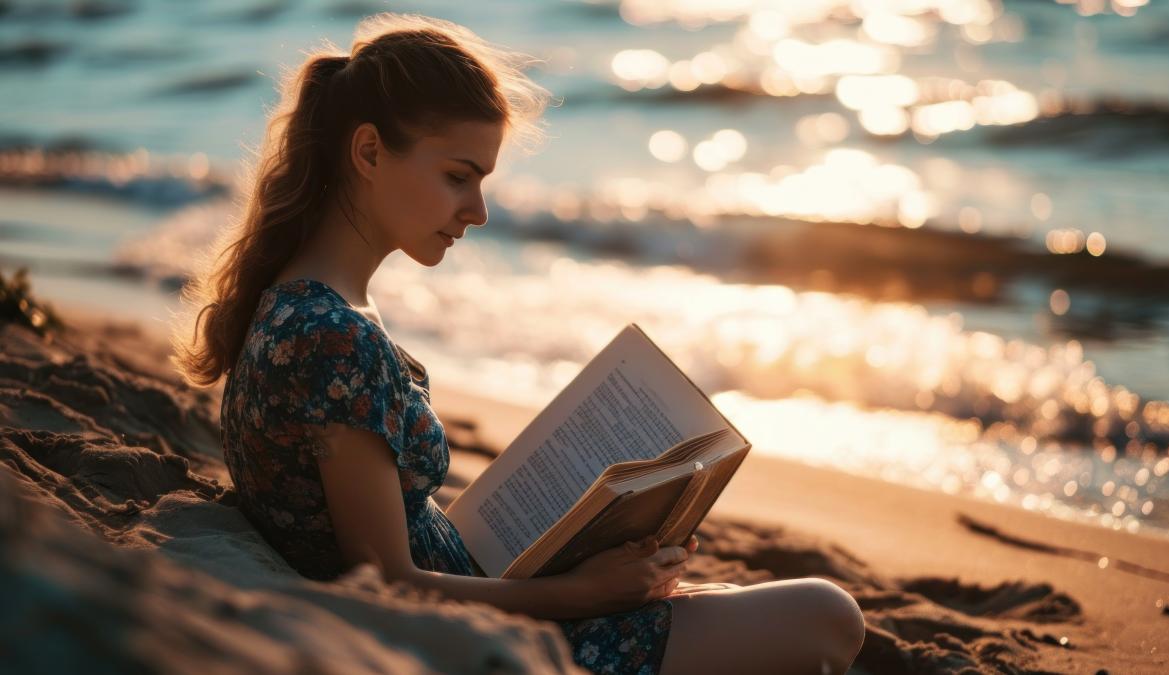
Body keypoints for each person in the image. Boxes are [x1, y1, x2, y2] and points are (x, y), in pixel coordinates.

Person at [173, 13, 865, 675]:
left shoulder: (305, 303)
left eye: (482, 181)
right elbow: (385, 582)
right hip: (479, 637)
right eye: (458, 175)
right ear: (369, 152)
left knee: (718, 599)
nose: (476, 210)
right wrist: (580, 594)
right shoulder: (331, 336)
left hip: (486, 594)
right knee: (827, 614)